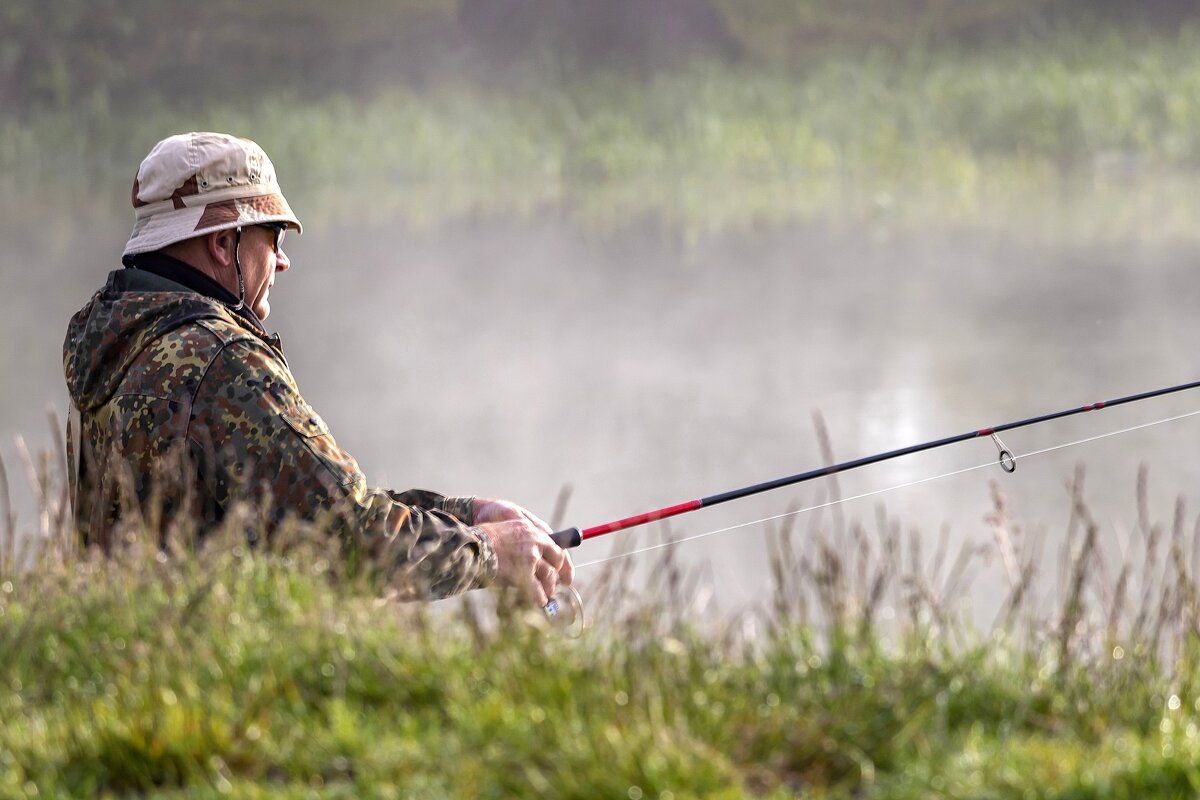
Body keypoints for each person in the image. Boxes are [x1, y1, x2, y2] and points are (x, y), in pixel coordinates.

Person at [63, 131, 572, 605]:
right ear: (223, 243)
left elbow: (300, 500)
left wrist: (469, 514)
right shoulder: (222, 360)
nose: (282, 261)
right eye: (272, 236)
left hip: (139, 665)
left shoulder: (121, 345)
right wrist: (487, 550)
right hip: (220, 682)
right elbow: (354, 537)